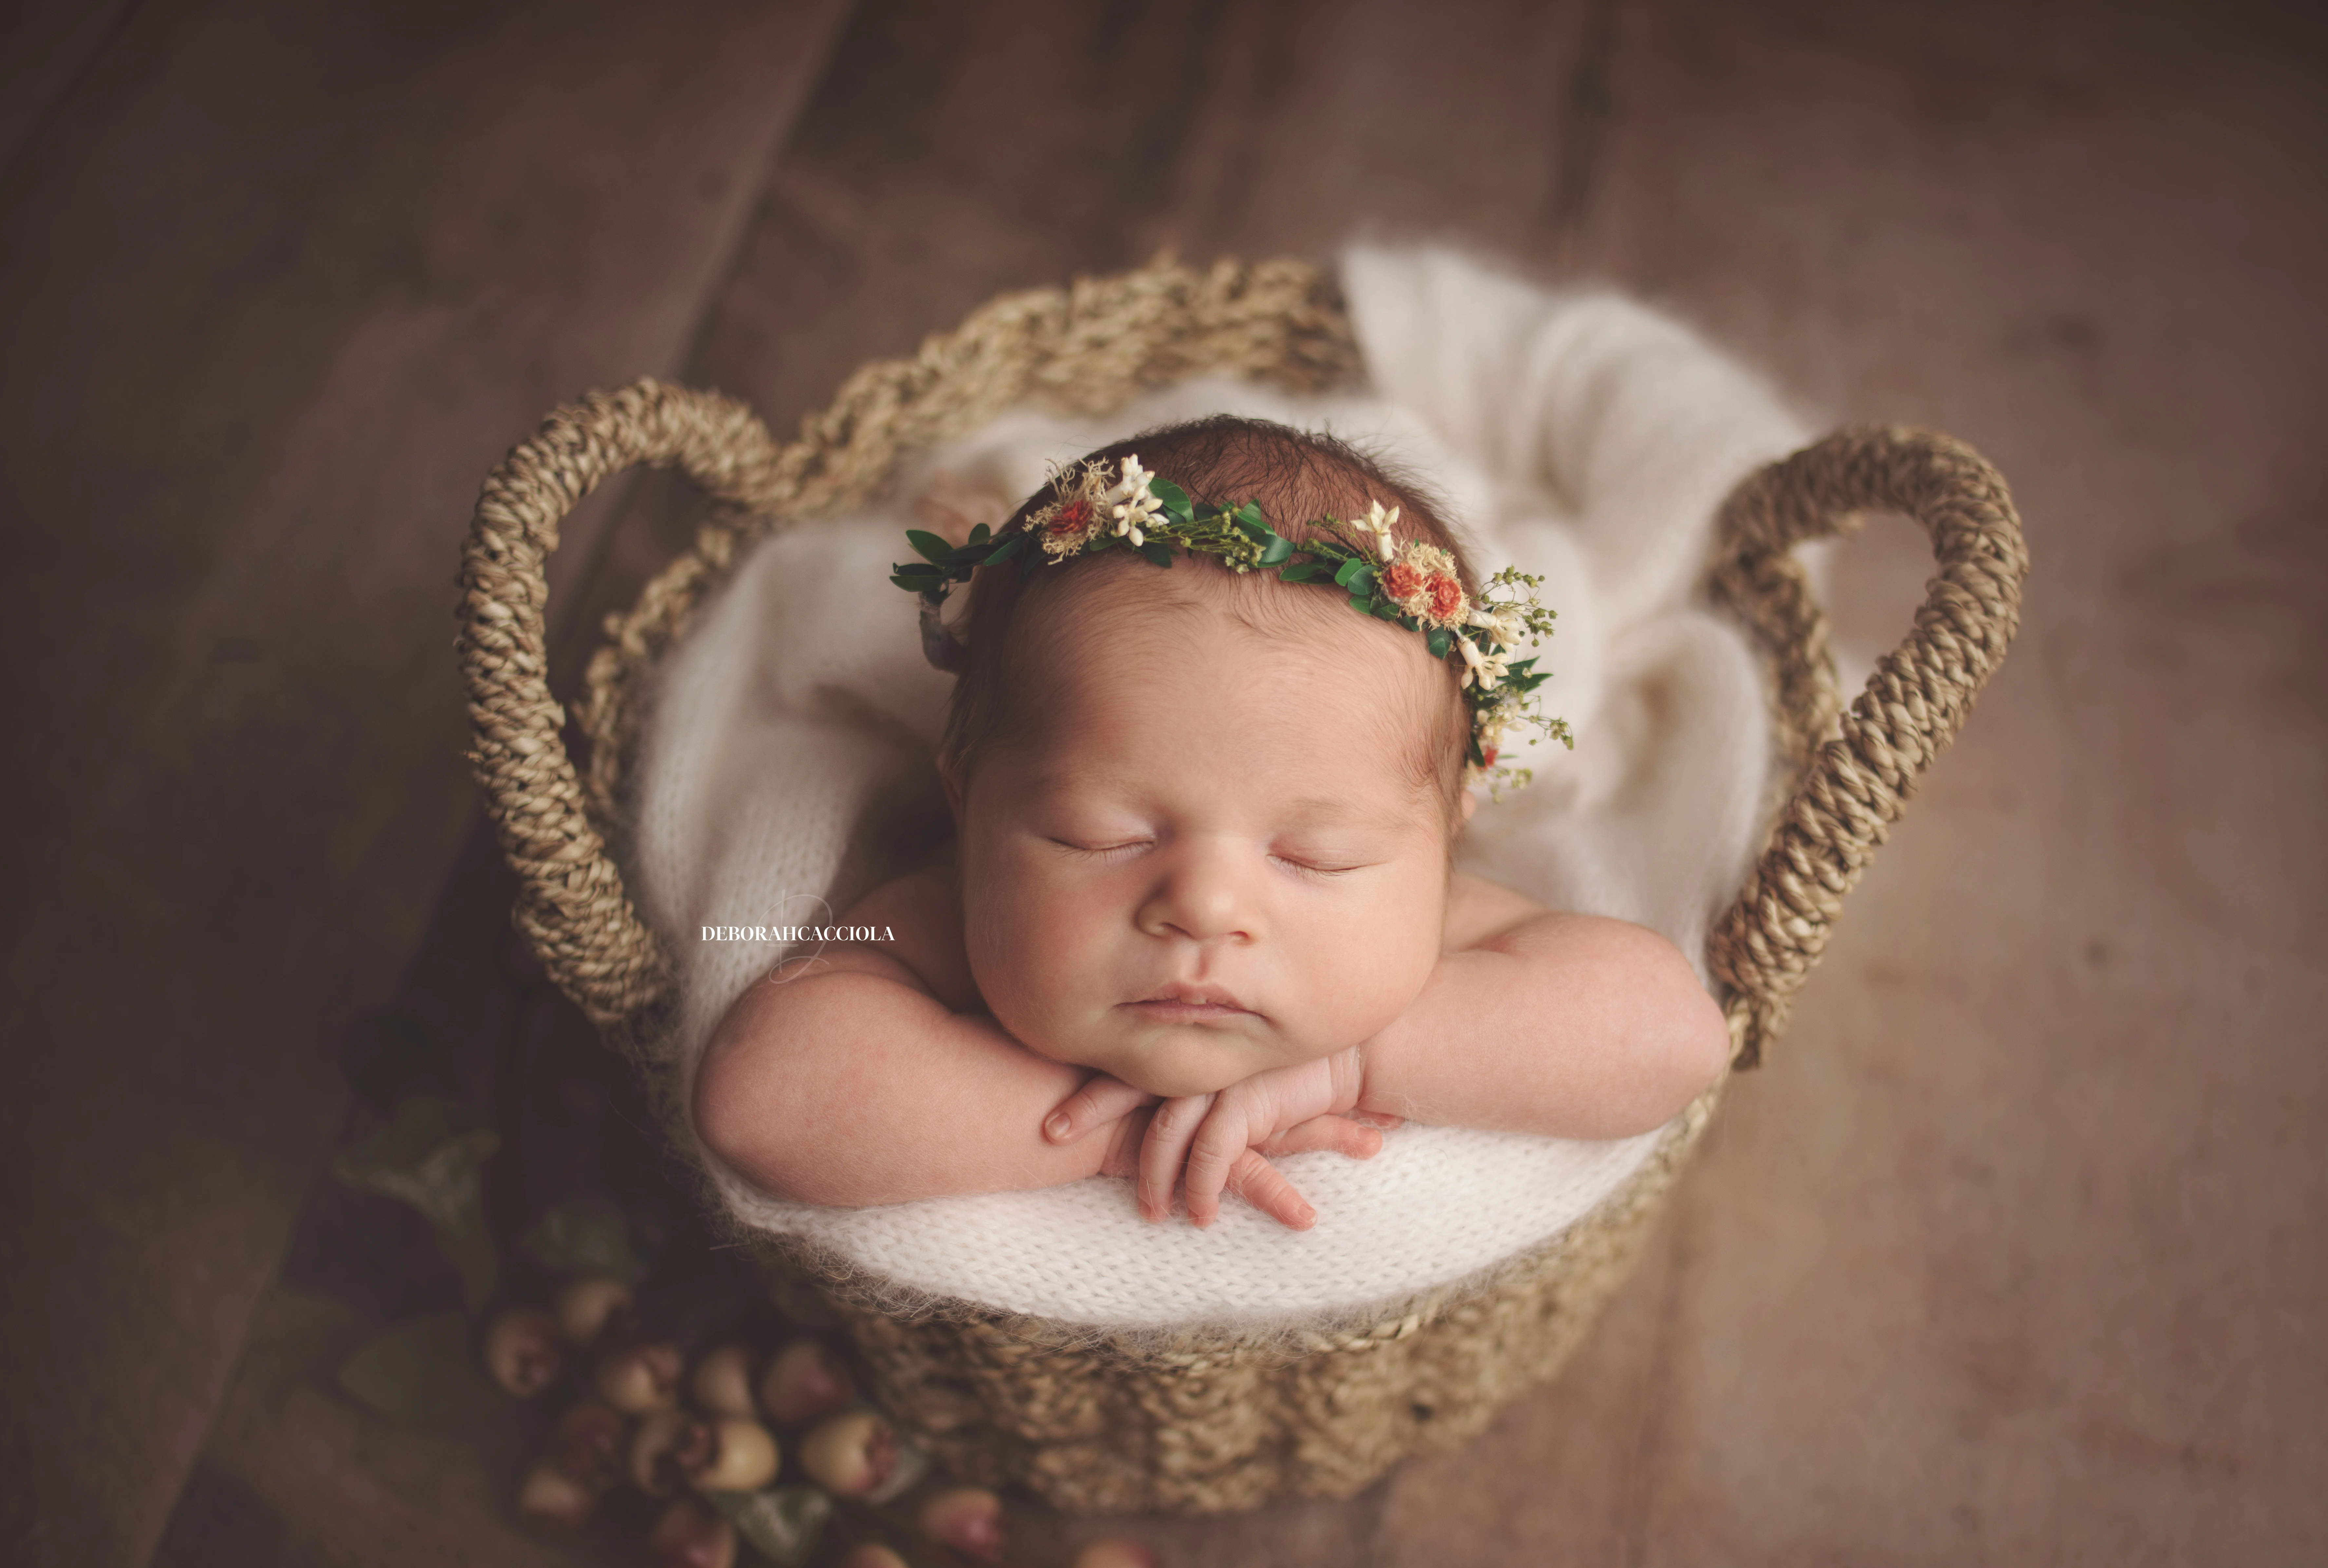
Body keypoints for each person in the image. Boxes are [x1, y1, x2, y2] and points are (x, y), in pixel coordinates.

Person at [693, 416, 1726, 1231]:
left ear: (1442, 838)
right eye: (1103, 836)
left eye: (1313, 856)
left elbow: (1672, 1037)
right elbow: (760, 1099)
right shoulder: (955, 916)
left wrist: (1350, 1065)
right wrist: (1112, 1132)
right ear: (970, 804)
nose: (1206, 905)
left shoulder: (1433, 929)